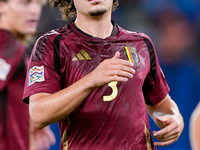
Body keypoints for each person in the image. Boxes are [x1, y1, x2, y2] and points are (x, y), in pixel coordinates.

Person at [23, 0, 184, 149]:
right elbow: (39, 114)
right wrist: (91, 80)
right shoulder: (52, 44)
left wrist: (174, 118)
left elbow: (160, 103)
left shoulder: (141, 43)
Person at [0, 0, 56, 149]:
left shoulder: (15, 47)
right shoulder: (7, 44)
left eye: (38, 3)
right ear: (1, 6)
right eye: (25, 3)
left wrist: (31, 117)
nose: (34, 11)